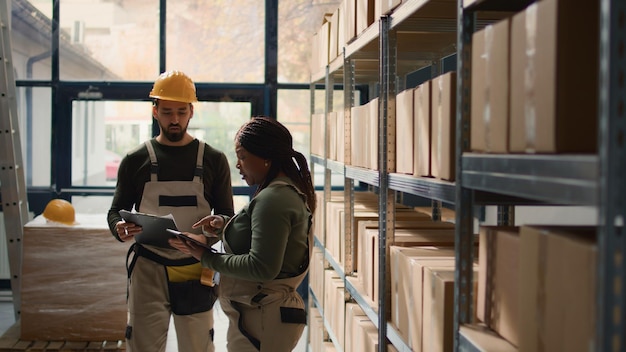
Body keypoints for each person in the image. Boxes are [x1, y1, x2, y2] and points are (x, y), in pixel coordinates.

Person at [106, 70, 234, 352]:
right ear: (155, 112)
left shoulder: (213, 160)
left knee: (197, 346)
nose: (174, 119)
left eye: (180, 111)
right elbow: (116, 211)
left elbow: (227, 214)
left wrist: (216, 225)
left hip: (195, 268)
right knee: (142, 345)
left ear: (191, 111)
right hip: (148, 268)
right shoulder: (135, 160)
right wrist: (118, 227)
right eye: (166, 112)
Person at [169, 116, 316, 352]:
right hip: (258, 315)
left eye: (242, 156)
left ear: (266, 157)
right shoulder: (278, 193)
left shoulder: (274, 199)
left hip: (262, 319)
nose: (238, 164)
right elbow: (264, 235)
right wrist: (224, 224)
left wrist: (206, 257)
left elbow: (262, 267)